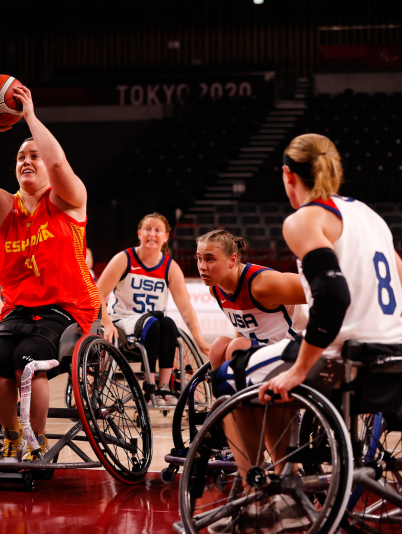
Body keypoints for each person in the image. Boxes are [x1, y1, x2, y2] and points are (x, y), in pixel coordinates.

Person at [208, 133, 402, 533]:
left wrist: (300, 367)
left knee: (227, 375)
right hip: (393, 355)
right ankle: (287, 483)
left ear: (287, 175)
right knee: (270, 378)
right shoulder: (370, 215)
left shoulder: (305, 218)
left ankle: (260, 498)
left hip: (346, 358)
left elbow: (331, 294)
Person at [0, 85, 100, 462]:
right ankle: (14, 437)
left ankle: (38, 442)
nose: (27, 161)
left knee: (28, 362)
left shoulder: (67, 199)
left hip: (68, 310)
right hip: (18, 310)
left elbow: (61, 165)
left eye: (35, 155)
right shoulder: (4, 206)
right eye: (20, 157)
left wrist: (30, 117)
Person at [97, 213, 210, 406]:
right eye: (148, 229)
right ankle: (149, 390)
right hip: (122, 322)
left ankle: (163, 388)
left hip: (153, 325)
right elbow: (97, 293)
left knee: (168, 323)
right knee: (154, 323)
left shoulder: (169, 267)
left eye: (158, 230)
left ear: (166, 236)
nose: (152, 234)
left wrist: (199, 340)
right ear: (139, 233)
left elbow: (185, 307)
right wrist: (106, 322)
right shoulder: (124, 259)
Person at [196, 229, 307, 369]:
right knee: (218, 347)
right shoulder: (215, 289)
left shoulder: (263, 284)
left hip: (295, 346)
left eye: (209, 259)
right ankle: (224, 390)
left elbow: (322, 290)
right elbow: (243, 328)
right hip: (265, 348)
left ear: (232, 260)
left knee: (237, 348)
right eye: (199, 258)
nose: (202, 267)